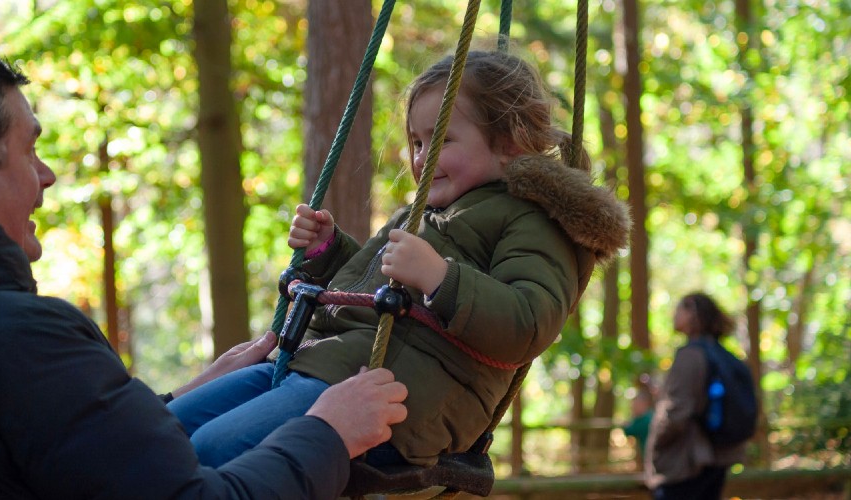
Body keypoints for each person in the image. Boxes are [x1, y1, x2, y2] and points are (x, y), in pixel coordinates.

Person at [0, 49, 408, 499]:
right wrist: (328, 432)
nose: (46, 176)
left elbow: (42, 458)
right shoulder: (21, 342)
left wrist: (176, 401)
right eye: (30, 149)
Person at [168, 49, 630, 468]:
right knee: (166, 429)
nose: (423, 157)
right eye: (416, 143)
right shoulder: (423, 213)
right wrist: (328, 251)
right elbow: (372, 287)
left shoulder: (534, 219)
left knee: (217, 449)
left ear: (510, 141)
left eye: (442, 140)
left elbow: (530, 322)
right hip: (319, 362)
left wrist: (440, 278)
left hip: (396, 398)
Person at [644, 292, 748, 499]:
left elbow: (677, 411)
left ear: (693, 312)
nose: (674, 314)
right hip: (718, 458)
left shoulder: (690, 355)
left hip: (687, 461)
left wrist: (656, 445)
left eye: (679, 308)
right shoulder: (723, 355)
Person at [622, 386, 655, 468]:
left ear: (643, 404)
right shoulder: (650, 416)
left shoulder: (645, 419)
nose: (632, 407)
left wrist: (628, 422)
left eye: (635, 404)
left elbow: (629, 430)